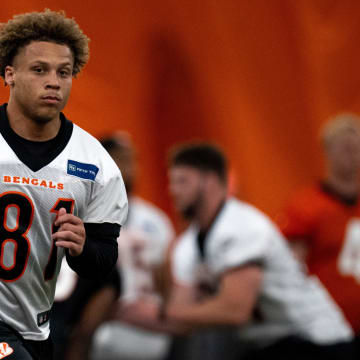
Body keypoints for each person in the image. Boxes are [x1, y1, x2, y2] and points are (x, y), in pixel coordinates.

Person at [113, 142, 359, 360]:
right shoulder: (188, 246)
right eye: (171, 181)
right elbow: (182, 319)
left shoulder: (244, 226)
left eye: (181, 181)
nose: (172, 190)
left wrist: (160, 311)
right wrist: (126, 312)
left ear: (208, 180)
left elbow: (234, 310)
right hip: (270, 343)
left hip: (316, 341)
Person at [0, 9, 128, 360]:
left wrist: (83, 246)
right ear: (10, 74)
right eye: (39, 69)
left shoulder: (96, 165)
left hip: (34, 327)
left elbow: (103, 260)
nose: (53, 81)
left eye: (64, 72)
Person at [90, 133, 175, 360]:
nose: (129, 168)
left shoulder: (155, 221)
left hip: (149, 333)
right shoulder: (82, 214)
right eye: (121, 159)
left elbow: (166, 284)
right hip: (99, 332)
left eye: (133, 160)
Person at [278, 113, 360, 335]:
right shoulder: (305, 206)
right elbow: (290, 270)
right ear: (327, 151)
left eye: (356, 147)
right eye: (345, 148)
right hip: (330, 327)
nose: (352, 155)